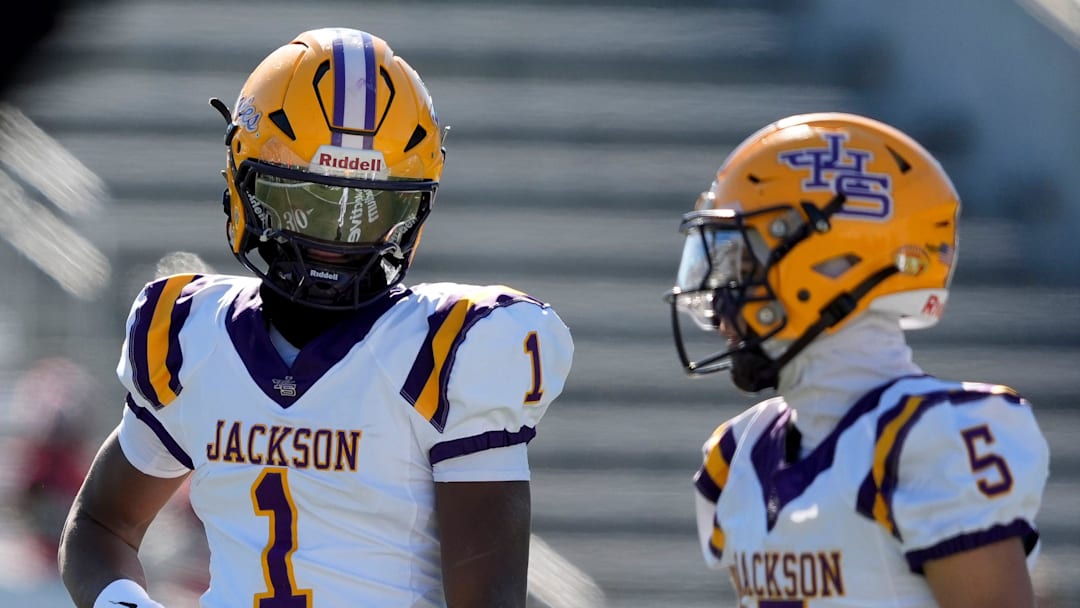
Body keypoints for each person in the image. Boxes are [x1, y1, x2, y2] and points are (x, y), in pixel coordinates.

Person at [57, 27, 574, 608]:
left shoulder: (450, 352)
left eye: (368, 209)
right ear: (241, 183)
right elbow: (100, 526)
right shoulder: (192, 334)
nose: (335, 242)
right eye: (304, 202)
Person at [665, 112, 1049, 607]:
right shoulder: (742, 449)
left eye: (742, 266)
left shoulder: (937, 437)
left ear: (828, 265)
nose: (720, 301)